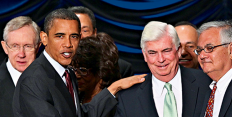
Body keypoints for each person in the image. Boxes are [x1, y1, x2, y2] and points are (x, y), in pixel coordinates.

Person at [12, 8, 145, 117]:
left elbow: (81, 115)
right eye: (60, 36)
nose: (68, 44)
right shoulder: (33, 79)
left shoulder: (68, 73)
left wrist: (115, 88)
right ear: (44, 38)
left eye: (74, 36)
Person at [114, 21, 210, 117]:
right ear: (145, 55)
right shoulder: (128, 98)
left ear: (179, 50)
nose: (160, 59)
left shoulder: (208, 83)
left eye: (166, 51)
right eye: (152, 53)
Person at [68, 6, 134, 77]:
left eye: (85, 30)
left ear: (94, 33)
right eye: (74, 30)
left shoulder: (119, 68)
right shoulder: (57, 66)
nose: (80, 35)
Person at [0, 16, 40, 117]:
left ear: (38, 47)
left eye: (28, 46)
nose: (21, 54)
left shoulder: (52, 80)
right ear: (5, 47)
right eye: (15, 46)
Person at [71, 32, 121, 104]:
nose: (77, 75)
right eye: (74, 68)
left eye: (82, 70)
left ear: (101, 71)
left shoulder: (113, 103)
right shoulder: (75, 98)